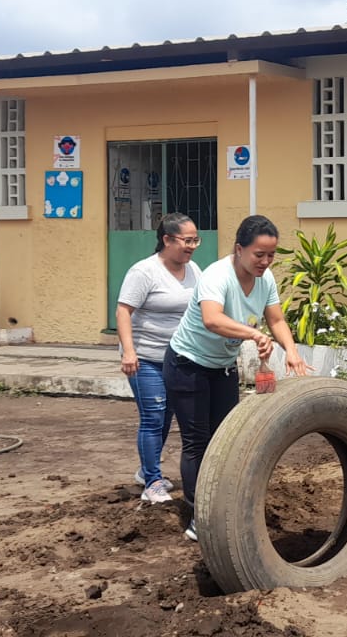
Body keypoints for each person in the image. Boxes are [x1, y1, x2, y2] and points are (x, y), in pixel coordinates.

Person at [165, 215, 310, 541]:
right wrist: (253, 334)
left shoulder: (265, 279)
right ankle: (200, 517)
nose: (265, 261)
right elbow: (212, 319)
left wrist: (291, 350)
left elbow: (276, 319)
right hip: (188, 366)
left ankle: (222, 506)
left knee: (226, 439)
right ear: (239, 249)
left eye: (271, 255)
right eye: (259, 254)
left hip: (222, 368)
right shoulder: (217, 276)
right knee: (198, 443)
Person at [116, 213, 202, 504]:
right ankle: (152, 482)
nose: (192, 246)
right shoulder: (144, 272)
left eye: (195, 240)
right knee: (153, 416)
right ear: (167, 239)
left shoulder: (194, 270)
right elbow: (123, 311)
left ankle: (146, 471)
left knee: (166, 417)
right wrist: (129, 352)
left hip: (177, 359)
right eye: (186, 240)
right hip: (145, 358)